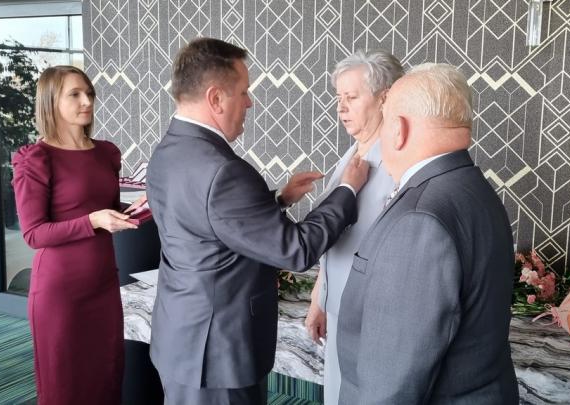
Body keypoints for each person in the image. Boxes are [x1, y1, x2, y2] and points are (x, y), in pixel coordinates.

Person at [145, 38, 370, 405]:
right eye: (244, 92)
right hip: (218, 353)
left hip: (182, 337)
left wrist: (278, 199)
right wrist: (346, 190)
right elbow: (296, 250)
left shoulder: (167, 150)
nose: (250, 102)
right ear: (216, 98)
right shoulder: (223, 172)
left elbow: (210, 220)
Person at [335, 63, 519, 404]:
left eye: (384, 121)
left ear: (399, 130)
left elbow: (392, 382)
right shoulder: (475, 188)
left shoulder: (419, 219)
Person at [12, 65, 141, 404]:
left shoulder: (106, 152)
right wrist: (93, 221)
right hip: (60, 293)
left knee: (106, 377)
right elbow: (34, 233)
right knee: (66, 387)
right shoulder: (36, 159)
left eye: (89, 93)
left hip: (103, 285)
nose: (87, 101)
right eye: (75, 94)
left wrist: (140, 208)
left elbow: (106, 210)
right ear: (51, 101)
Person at [303, 50, 403, 405]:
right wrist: (319, 300)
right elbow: (337, 241)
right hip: (339, 311)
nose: (341, 108)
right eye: (338, 98)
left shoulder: (397, 165)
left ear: (385, 97)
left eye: (351, 97)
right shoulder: (351, 157)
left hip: (373, 320)